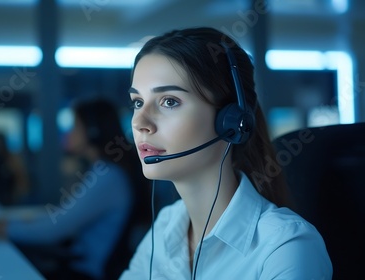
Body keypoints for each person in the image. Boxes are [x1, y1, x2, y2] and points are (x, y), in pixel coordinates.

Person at [119, 27, 332, 279]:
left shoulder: (286, 247)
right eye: (138, 102)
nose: (140, 122)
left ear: (231, 121)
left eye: (169, 101)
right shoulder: (167, 225)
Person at [0, 99, 146, 280]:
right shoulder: (103, 171)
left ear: (93, 132)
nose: (68, 134)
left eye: (75, 126)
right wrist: (4, 222)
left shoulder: (107, 176)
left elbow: (54, 230)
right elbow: (63, 216)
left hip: (84, 273)